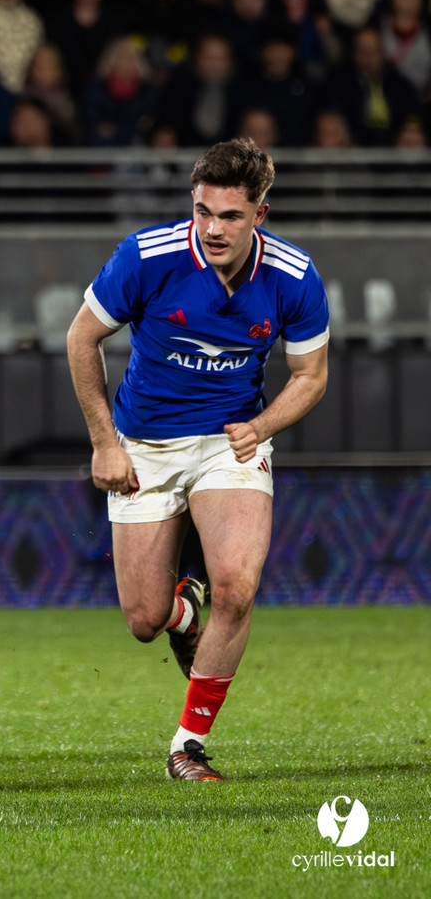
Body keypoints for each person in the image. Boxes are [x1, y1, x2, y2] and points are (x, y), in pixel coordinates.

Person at [66, 138, 330, 782]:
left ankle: (188, 746)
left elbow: (311, 374)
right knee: (144, 620)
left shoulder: (294, 277)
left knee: (237, 587)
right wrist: (104, 441)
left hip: (229, 441)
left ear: (259, 216)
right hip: (145, 445)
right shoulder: (146, 257)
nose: (212, 228)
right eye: (203, 211)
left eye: (231, 216)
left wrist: (261, 427)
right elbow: (81, 338)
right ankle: (184, 611)